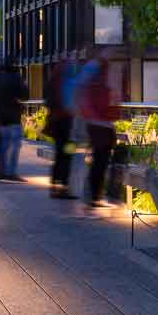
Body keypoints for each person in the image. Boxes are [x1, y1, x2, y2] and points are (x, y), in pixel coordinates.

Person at [73, 56, 122, 208]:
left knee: (98, 161)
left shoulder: (90, 85)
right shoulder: (103, 86)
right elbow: (112, 111)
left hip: (94, 127)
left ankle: (93, 195)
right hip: (103, 129)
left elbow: (85, 106)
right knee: (100, 162)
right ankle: (94, 196)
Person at [42, 60, 78, 199]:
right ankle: (63, 187)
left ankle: (55, 186)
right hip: (66, 124)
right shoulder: (67, 83)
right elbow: (72, 103)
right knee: (66, 154)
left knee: (60, 154)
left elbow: (47, 101)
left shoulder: (52, 83)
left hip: (57, 124)